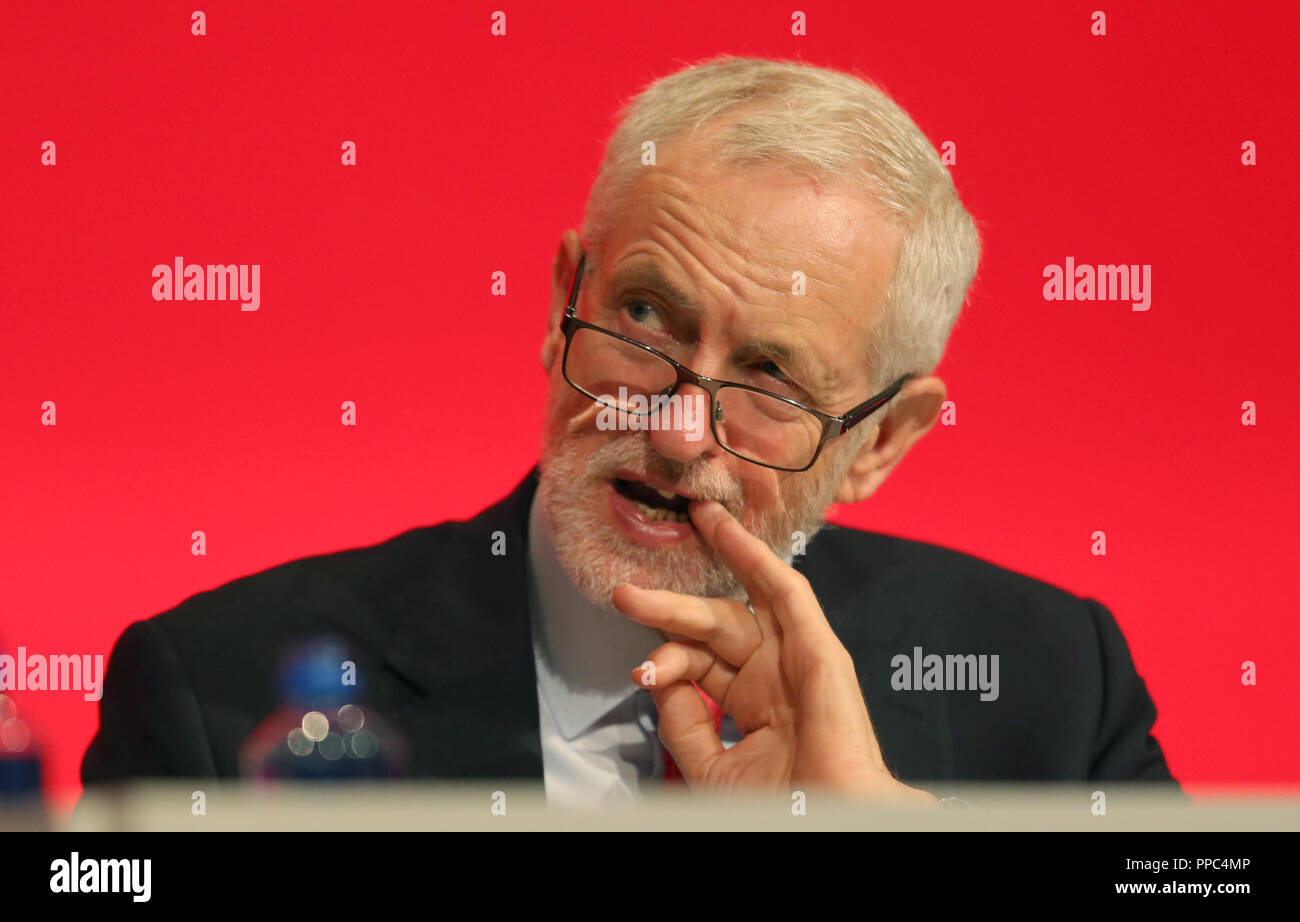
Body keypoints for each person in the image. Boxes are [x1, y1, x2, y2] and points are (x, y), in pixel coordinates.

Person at [83, 55, 1179, 807]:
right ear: (566, 295)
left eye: (769, 375)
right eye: (646, 318)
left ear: (881, 441)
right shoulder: (215, 693)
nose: (674, 424)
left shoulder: (1047, 683)